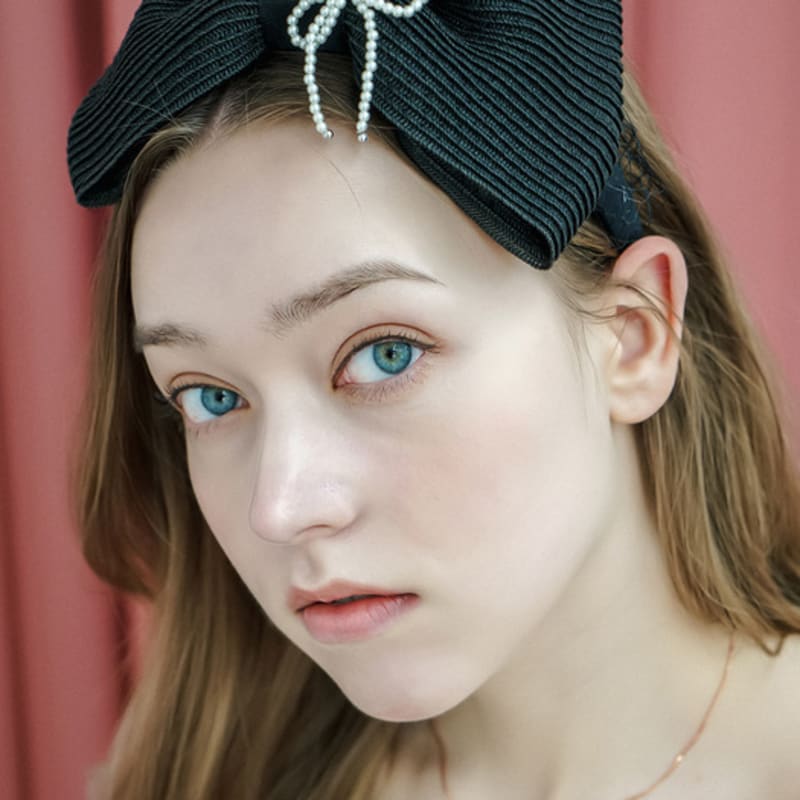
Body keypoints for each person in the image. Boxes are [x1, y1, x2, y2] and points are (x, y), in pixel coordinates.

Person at [67, 1, 800, 798]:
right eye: (210, 397)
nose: (278, 509)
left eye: (385, 354)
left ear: (634, 338)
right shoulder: (190, 773)